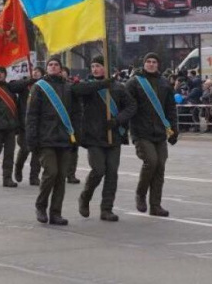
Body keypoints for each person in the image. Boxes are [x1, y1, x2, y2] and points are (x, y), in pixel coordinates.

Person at [26, 56, 107, 225]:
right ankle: (41, 206)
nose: (54, 67)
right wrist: (32, 139)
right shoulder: (39, 88)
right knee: (51, 173)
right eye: (50, 65)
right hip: (45, 138)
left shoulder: (69, 87)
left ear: (61, 68)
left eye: (56, 64)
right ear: (46, 68)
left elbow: (77, 114)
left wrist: (76, 135)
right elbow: (32, 115)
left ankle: (56, 213)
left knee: (61, 176)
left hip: (65, 138)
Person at [75, 56, 137, 221]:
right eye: (93, 66)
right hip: (93, 137)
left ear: (106, 68)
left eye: (98, 66)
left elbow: (131, 106)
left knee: (112, 173)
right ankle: (85, 197)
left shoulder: (118, 88)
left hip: (113, 136)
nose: (95, 69)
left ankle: (106, 209)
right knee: (98, 170)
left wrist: (118, 120)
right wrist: (103, 84)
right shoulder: (87, 85)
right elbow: (77, 91)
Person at [125, 52, 178, 217]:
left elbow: (170, 108)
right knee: (151, 162)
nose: (151, 64)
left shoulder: (164, 83)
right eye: (148, 61)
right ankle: (140, 194)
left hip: (160, 132)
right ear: (144, 63)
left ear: (158, 65)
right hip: (141, 131)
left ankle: (155, 205)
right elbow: (127, 105)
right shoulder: (134, 83)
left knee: (160, 166)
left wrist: (174, 129)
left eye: (154, 61)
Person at [13, 66, 45, 186]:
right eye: (34, 71)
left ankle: (34, 176)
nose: (36, 73)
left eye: (38, 71)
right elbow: (12, 87)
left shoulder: (44, 86)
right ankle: (18, 168)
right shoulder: (24, 85)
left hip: (39, 124)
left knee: (37, 152)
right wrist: (28, 81)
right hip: (24, 124)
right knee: (25, 149)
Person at [60, 66, 81, 184]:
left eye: (65, 72)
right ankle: (61, 173)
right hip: (58, 124)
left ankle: (71, 174)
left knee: (73, 149)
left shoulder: (73, 87)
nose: (62, 74)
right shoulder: (52, 87)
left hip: (72, 123)